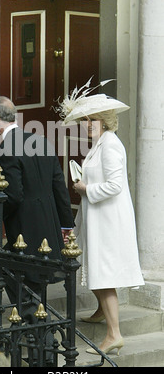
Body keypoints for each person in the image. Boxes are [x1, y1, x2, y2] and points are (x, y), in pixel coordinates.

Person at [56, 80, 144, 356]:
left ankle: (113, 334)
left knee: (103, 274)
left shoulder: (111, 146)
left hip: (108, 221)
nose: (88, 124)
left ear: (105, 122)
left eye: (93, 120)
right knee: (89, 265)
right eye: (86, 120)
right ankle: (101, 311)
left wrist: (85, 189)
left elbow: (116, 186)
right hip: (96, 217)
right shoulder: (99, 145)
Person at [0, 96, 74, 364]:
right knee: (37, 289)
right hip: (48, 228)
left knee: (26, 294)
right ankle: (35, 342)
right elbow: (59, 186)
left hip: (24, 229)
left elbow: (12, 195)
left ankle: (43, 352)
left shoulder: (6, 147)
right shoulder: (40, 141)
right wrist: (65, 224)